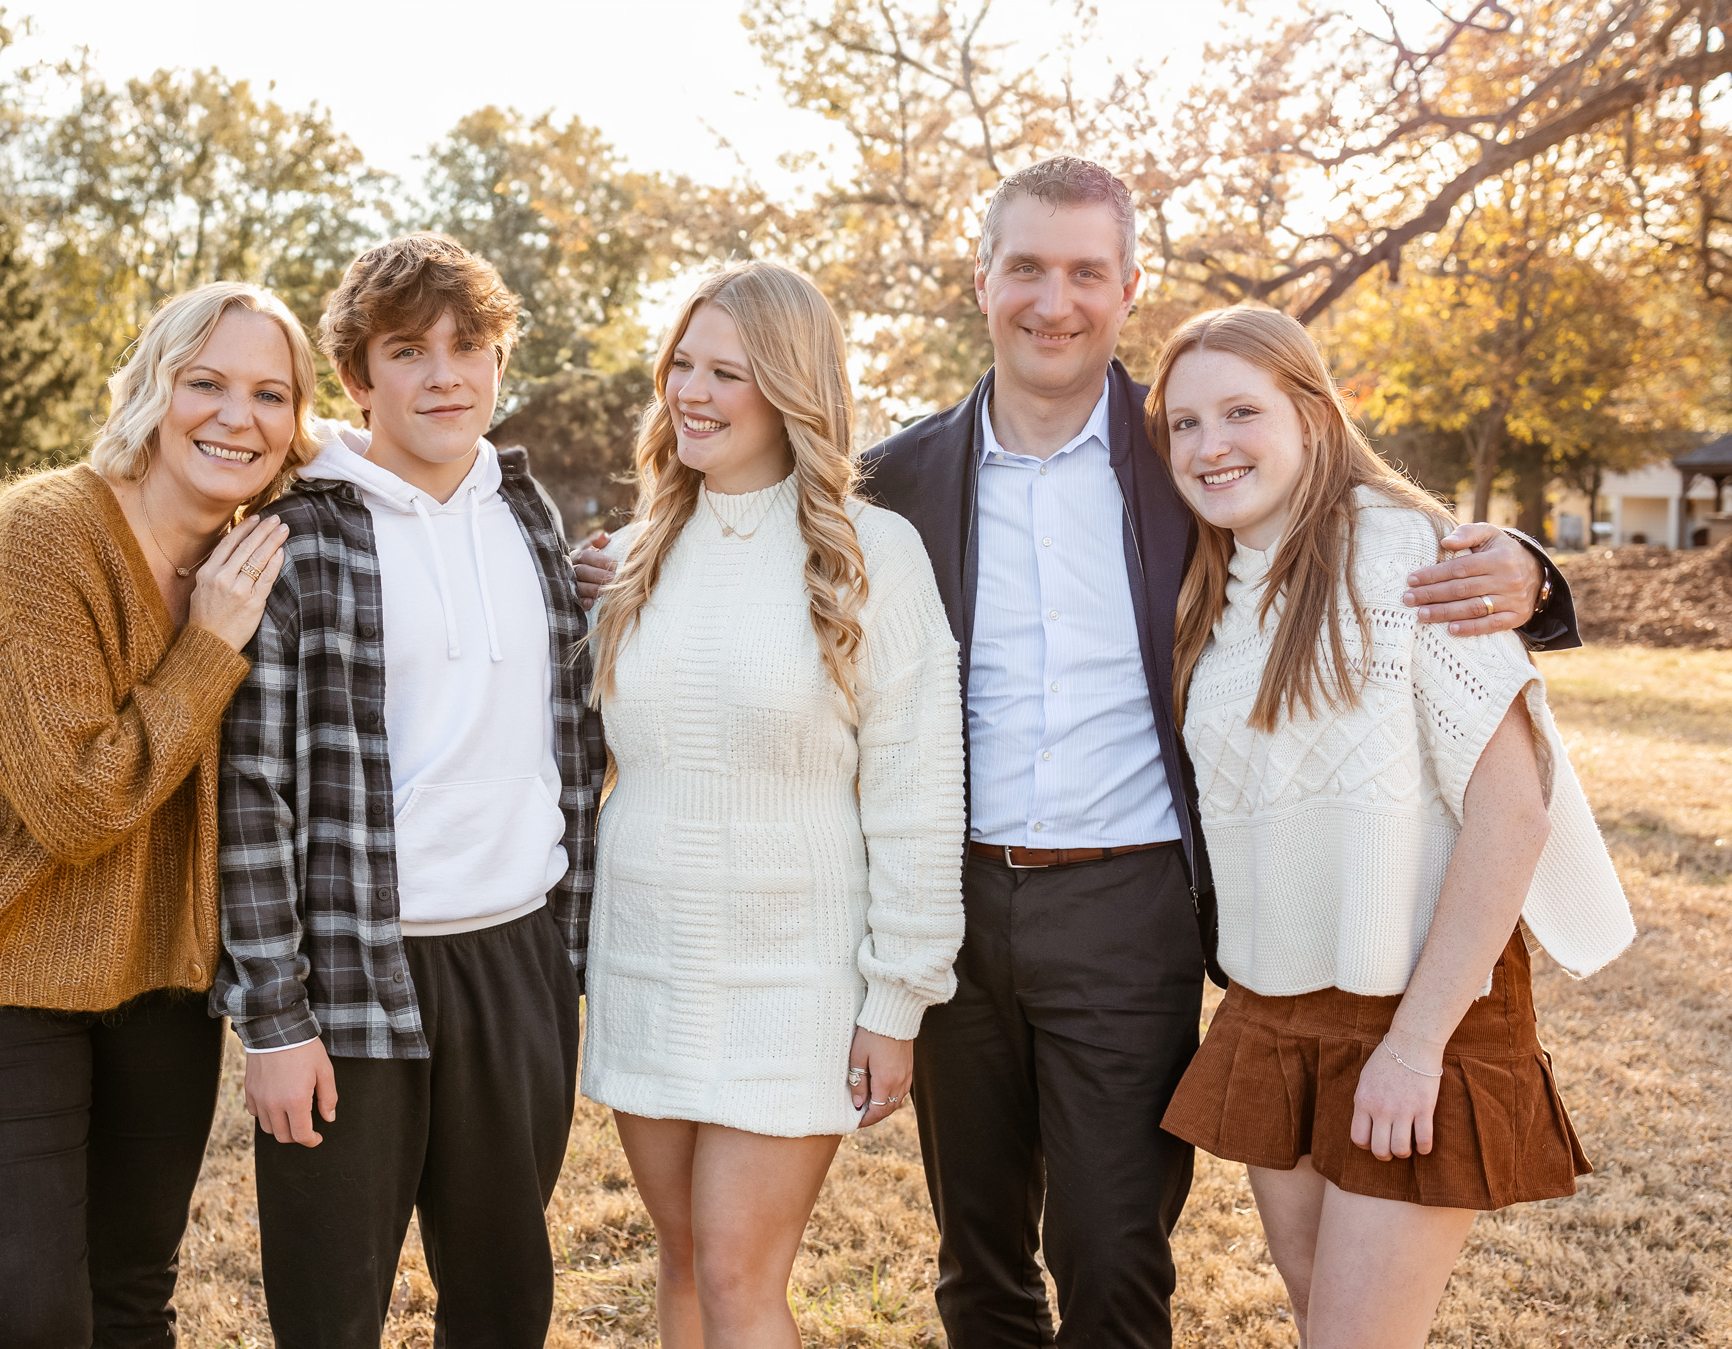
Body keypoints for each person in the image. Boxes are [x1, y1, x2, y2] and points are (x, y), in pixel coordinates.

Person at [574, 156, 1581, 1348]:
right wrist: (625, 565)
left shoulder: (1188, 454)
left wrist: (1529, 569)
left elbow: (1341, 500)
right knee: (977, 1252)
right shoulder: (900, 480)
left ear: (1126, 286)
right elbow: (751, 534)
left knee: (1110, 1249)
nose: (1054, 300)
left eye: (1085, 273)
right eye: (1027, 269)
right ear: (983, 279)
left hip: (1129, 896)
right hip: (957, 895)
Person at [1152, 304, 1633, 1347]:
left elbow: (1513, 813)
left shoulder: (1406, 555)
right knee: (1318, 1307)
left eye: (1239, 410)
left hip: (1419, 1005)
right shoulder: (1214, 589)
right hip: (1276, 1007)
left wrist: (1415, 1045)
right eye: (1181, 424)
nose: (1207, 444)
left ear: (1315, 416)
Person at [0, 281, 312, 1347]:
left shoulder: (255, 546)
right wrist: (208, 645)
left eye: (271, 393)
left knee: (132, 1294)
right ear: (150, 389)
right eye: (205, 381)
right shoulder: (43, 533)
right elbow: (78, 804)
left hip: (161, 984)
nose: (237, 415)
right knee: (36, 1313)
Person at [210, 232, 605, 1348]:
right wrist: (272, 1021)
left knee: (502, 1298)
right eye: (408, 350)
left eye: (468, 345)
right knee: (332, 1309)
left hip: (517, 960)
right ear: (357, 376)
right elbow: (251, 796)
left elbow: (573, 736)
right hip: (351, 977)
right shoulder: (299, 539)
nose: (444, 374)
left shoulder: (527, 514)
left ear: (496, 360)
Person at [582, 260, 966, 1348]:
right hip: (649, 956)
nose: (691, 393)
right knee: (686, 1260)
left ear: (793, 388)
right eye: (681, 367)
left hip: (793, 970)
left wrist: (897, 995)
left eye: (726, 373)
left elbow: (917, 790)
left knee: (744, 1273)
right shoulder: (637, 551)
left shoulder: (868, 552)